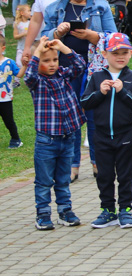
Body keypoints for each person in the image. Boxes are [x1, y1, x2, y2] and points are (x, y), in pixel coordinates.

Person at [42, 0, 118, 180]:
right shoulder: (54, 8)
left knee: (94, 117)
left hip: (94, 69)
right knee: (71, 117)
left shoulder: (101, 6)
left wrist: (92, 35)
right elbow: (44, 38)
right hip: (65, 69)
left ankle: (97, 163)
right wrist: (58, 32)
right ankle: (72, 165)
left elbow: (114, 38)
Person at [26, 37, 86, 230]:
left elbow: (80, 66)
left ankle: (65, 211)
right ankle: (43, 214)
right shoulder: (37, 81)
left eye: (54, 60)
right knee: (44, 181)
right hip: (46, 140)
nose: (52, 64)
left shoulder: (62, 74)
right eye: (46, 61)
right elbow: (28, 76)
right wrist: (37, 53)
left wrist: (62, 47)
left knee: (63, 179)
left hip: (68, 137)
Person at [81, 33, 132, 229]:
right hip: (102, 136)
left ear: (130, 54)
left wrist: (122, 91)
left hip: (125, 135)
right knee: (104, 175)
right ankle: (107, 210)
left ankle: (126, 210)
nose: (120, 57)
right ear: (105, 54)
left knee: (125, 175)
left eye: (124, 53)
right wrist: (101, 92)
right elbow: (85, 102)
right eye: (115, 53)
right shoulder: (97, 77)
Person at [0, 35, 25, 148]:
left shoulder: (9, 63)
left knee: (8, 121)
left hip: (5, 99)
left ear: (3, 48)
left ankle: (16, 139)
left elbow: (19, 74)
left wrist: (25, 65)